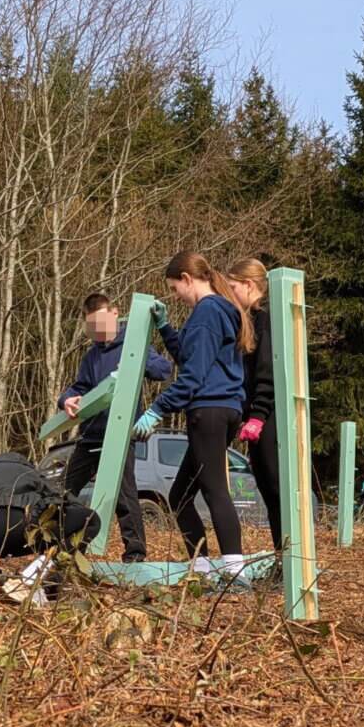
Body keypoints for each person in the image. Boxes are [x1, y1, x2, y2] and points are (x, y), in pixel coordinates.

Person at [133, 251, 253, 586]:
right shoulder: (219, 312)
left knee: (215, 490)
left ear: (187, 278)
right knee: (180, 496)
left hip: (209, 410)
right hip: (223, 409)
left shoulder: (207, 312)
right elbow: (189, 355)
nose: (176, 296)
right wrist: (165, 326)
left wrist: (158, 409)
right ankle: (200, 568)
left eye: (175, 289)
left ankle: (234, 570)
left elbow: (192, 376)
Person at [57, 293, 172, 562]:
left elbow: (163, 369)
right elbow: (79, 387)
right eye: (92, 326)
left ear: (114, 314)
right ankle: (66, 549)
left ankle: (135, 554)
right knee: (65, 493)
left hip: (120, 435)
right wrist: (66, 399)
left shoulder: (133, 345)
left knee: (124, 496)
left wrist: (137, 363)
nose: (98, 331)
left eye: (101, 324)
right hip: (90, 435)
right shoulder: (91, 356)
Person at [0, 452, 101, 603]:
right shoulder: (28, 472)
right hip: (15, 522)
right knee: (91, 519)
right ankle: (44, 581)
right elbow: (62, 500)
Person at [226, 258, 282, 553]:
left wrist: (258, 415)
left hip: (268, 419)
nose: (230, 292)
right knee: (268, 491)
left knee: (276, 490)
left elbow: (266, 371)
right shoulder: (247, 322)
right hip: (254, 417)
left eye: (233, 286)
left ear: (249, 285)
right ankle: (281, 558)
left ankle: (288, 559)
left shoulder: (264, 320)